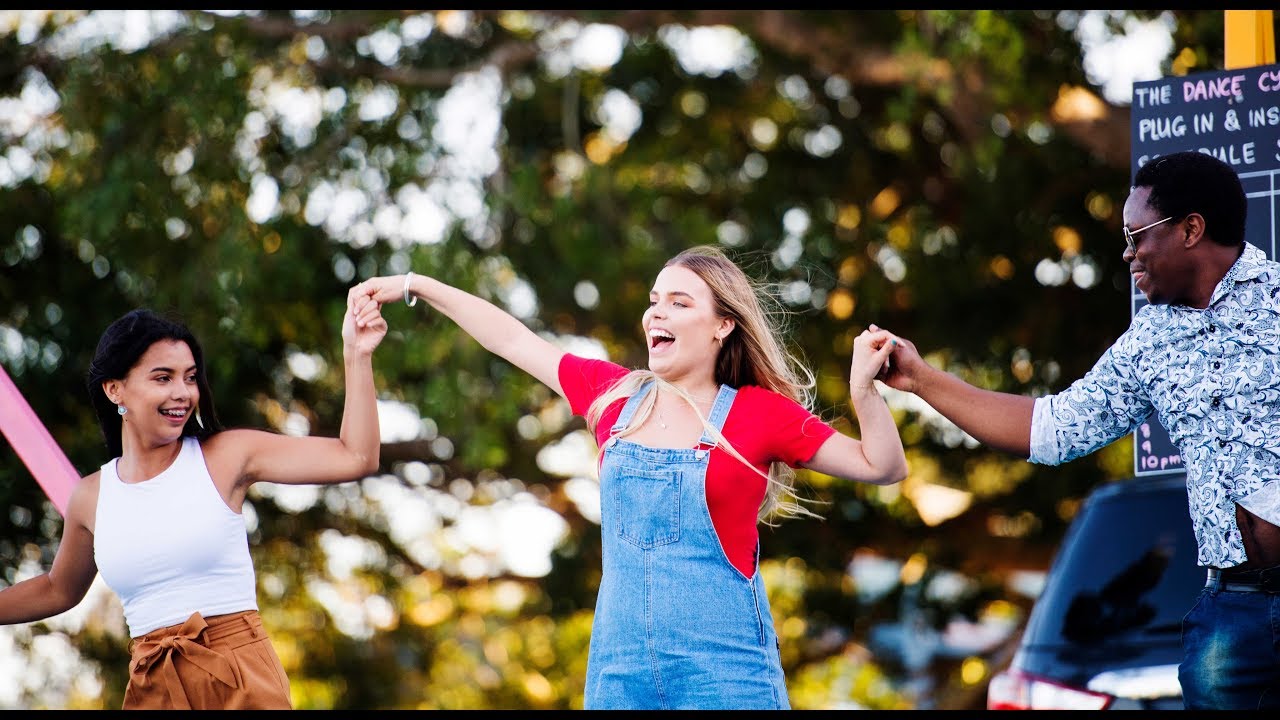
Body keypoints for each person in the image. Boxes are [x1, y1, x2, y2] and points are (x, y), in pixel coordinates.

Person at [349, 244, 908, 709]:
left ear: (723, 326)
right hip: (619, 677)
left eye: (679, 303)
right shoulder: (614, 397)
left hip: (726, 676)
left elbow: (882, 466)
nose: (656, 313)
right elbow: (511, 339)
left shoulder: (758, 414)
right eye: (654, 300)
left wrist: (863, 391)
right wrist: (416, 284)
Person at [872, 150, 1280, 710]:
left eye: (1137, 235)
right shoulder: (1150, 340)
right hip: (1233, 612)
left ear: (1191, 229)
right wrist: (921, 379)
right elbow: (1053, 430)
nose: (1128, 253)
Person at [0, 291, 388, 710]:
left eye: (189, 377)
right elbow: (57, 589)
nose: (183, 392)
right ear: (115, 390)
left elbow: (356, 457)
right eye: (163, 378)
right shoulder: (91, 496)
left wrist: (357, 353)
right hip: (153, 683)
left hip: (238, 676)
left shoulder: (226, 456)